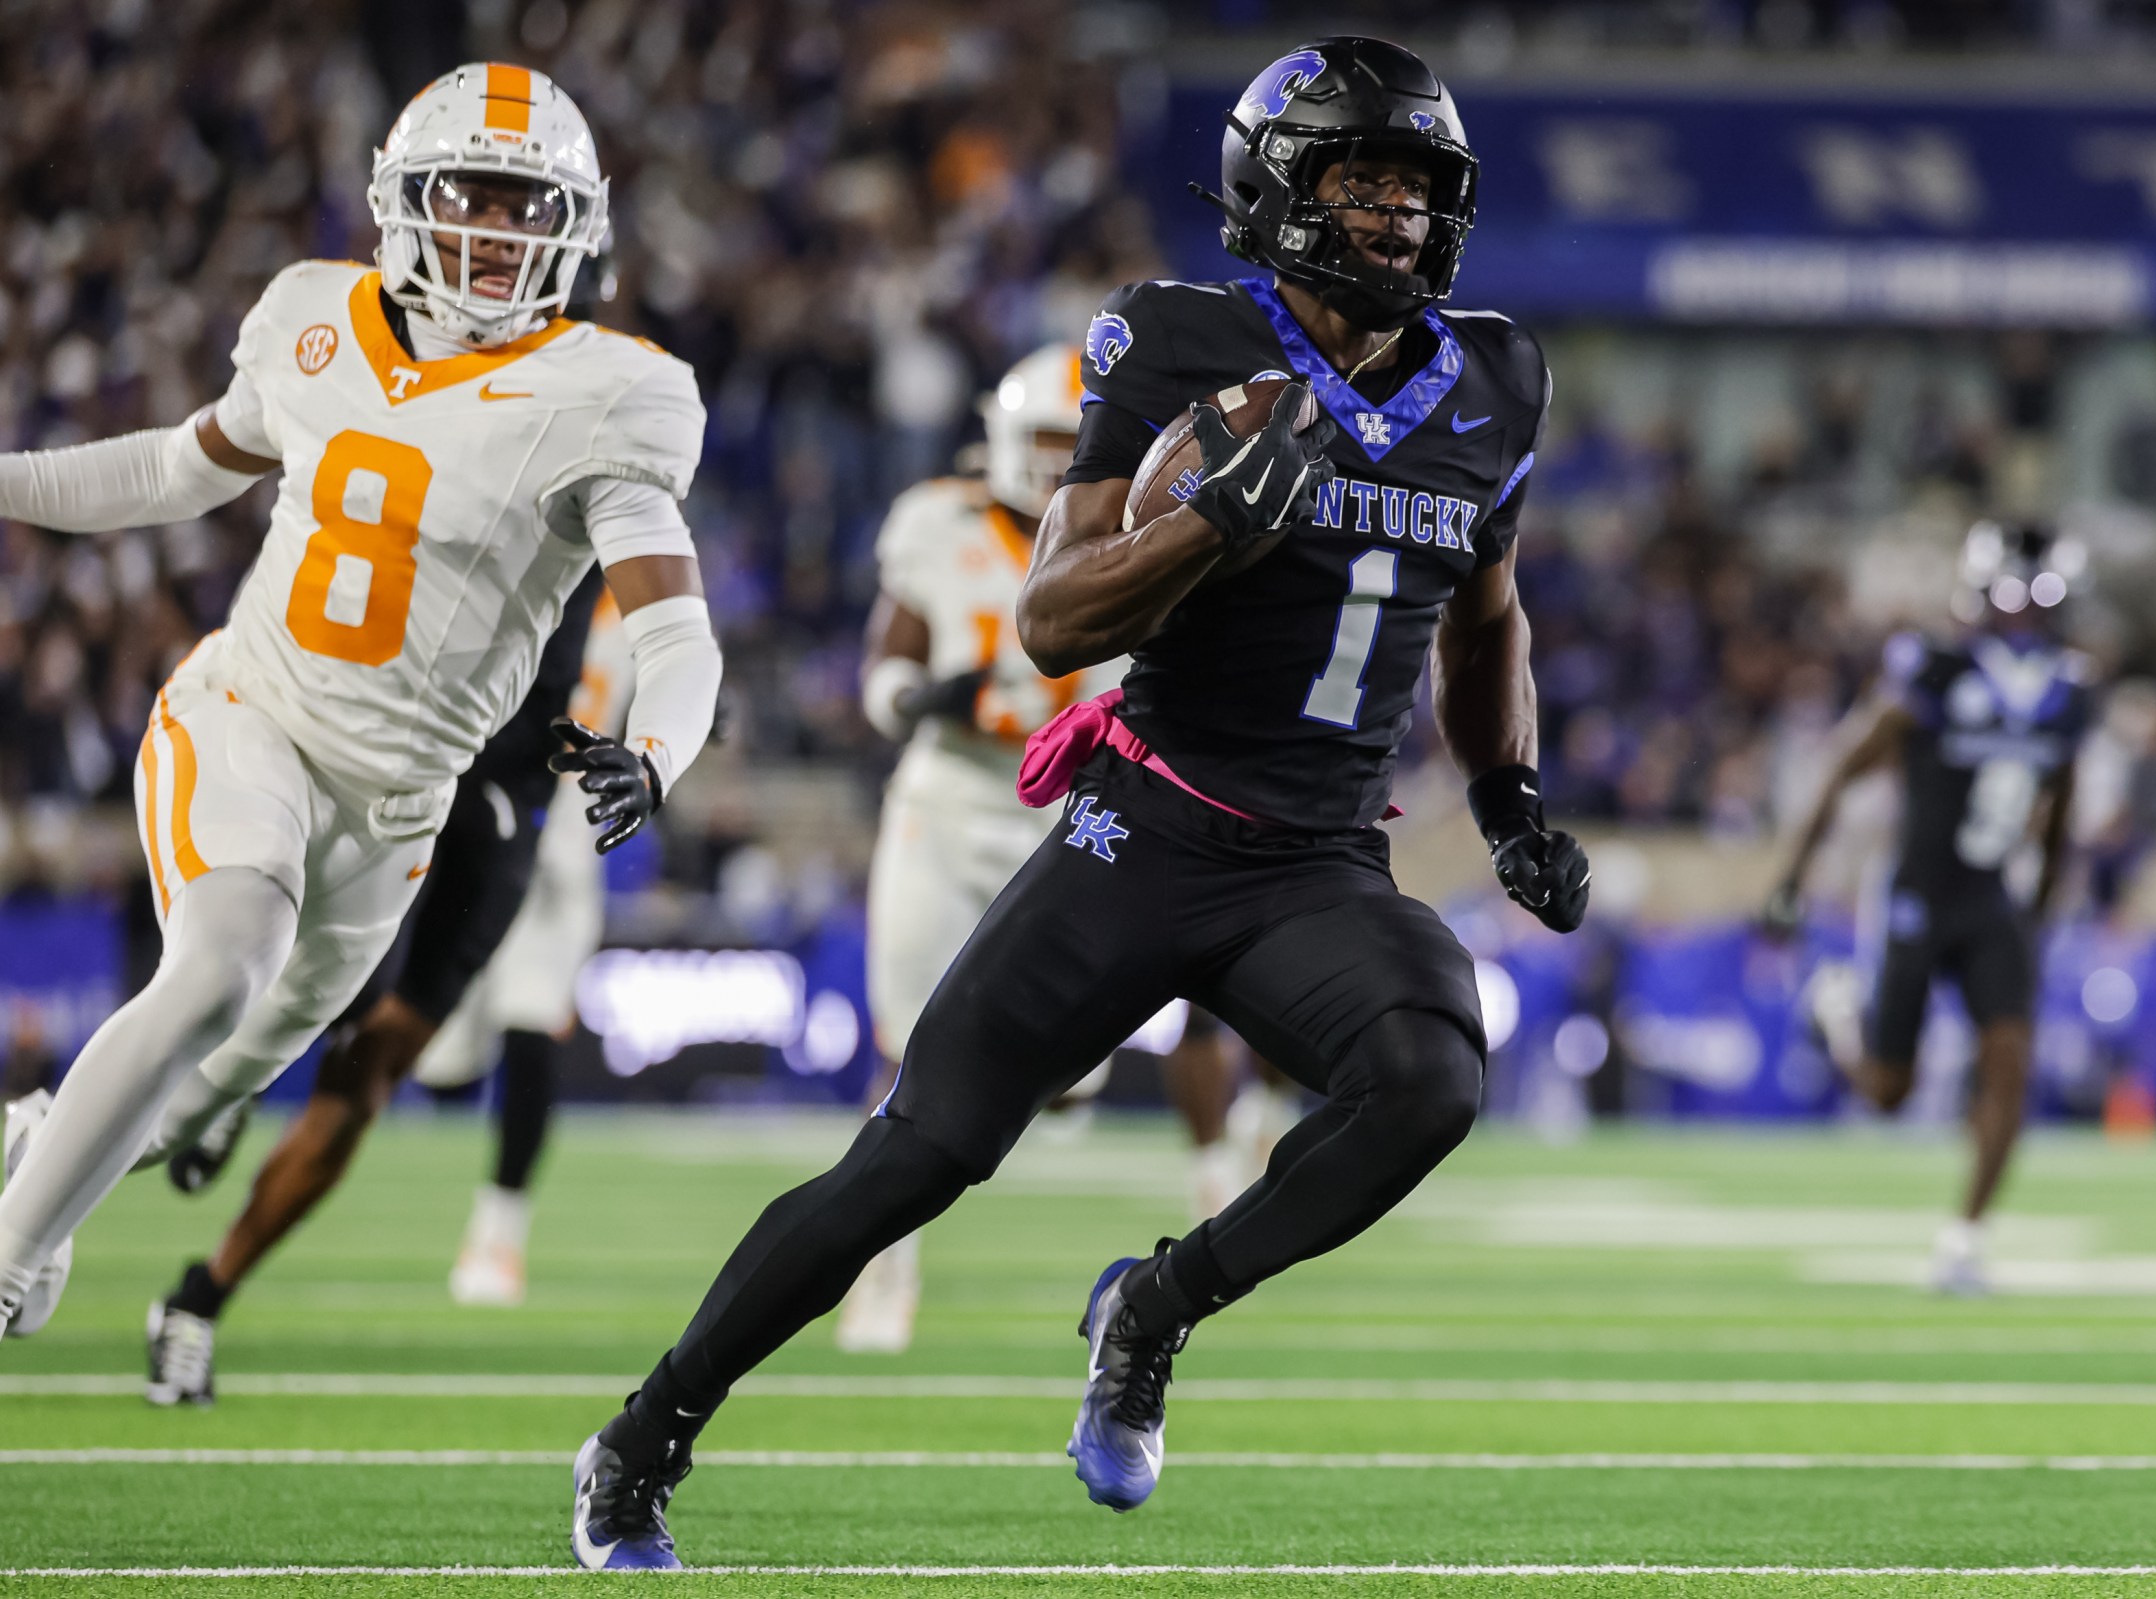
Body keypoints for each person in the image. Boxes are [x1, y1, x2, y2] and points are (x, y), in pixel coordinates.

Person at [569, 37, 1586, 1570]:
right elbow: (1053, 619)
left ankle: (1154, 1306)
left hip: (1314, 857)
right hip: (1149, 824)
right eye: (1360, 178)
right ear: (1280, 188)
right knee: (919, 1154)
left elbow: (1488, 611)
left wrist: (1507, 794)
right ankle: (646, 1430)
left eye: (1416, 186)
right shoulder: (1175, 338)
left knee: (1433, 1072)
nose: (1393, 215)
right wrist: (1199, 531)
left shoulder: (1499, 373)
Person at [0, 64, 720, 1340]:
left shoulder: (609, 395)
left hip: (395, 815)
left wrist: (655, 750)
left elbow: (674, 628)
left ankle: (39, 1137)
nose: (499, 235)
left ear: (578, 227)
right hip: (253, 717)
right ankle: (12, 1266)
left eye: (528, 207)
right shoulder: (312, 320)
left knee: (195, 1101)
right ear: (406, 202)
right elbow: (176, 467)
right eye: (474, 199)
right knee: (219, 963)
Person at [836, 345, 1255, 1355]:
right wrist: (929, 699)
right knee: (905, 1052)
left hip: (1076, 809)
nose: (1060, 457)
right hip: (949, 803)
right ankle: (881, 1274)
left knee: (1066, 1078)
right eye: (1046, 439)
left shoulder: (1151, 523)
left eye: (1078, 438)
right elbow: (883, 672)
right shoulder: (936, 520)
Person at [140, 577, 611, 1405]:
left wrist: (674, 721)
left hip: (507, 805)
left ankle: (199, 1299)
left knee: (372, 1070)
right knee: (329, 990)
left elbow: (674, 618)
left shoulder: (620, 495)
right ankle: (234, 1080)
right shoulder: (487, 462)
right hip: (398, 766)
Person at [1765, 519, 2093, 1296]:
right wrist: (1790, 876)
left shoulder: (2068, 693)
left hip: (1988, 898)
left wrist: (2040, 912)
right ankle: (1838, 1011)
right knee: (1887, 1093)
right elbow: (1845, 767)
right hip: (1917, 891)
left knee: (2011, 1061)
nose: (2022, 619)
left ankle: (1964, 1243)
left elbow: (2063, 812)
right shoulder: (1936, 671)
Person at [423, 592, 633, 1308]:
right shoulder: (524, 568)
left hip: (564, 841)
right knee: (441, 1071)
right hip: (476, 828)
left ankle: (497, 1234)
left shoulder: (647, 590)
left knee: (532, 1032)